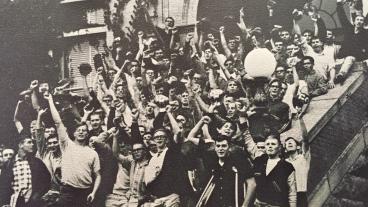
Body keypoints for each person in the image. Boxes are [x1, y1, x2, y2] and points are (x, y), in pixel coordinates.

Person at [45, 93, 101, 207]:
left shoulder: (93, 153)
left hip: (85, 193)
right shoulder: (67, 145)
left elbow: (98, 175)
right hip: (68, 191)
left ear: (87, 134)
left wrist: (94, 193)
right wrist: (50, 100)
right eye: (78, 130)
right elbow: (58, 122)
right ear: (74, 133)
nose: (81, 132)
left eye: (84, 130)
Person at [196, 136, 256, 207]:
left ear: (229, 147)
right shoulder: (213, 164)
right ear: (215, 148)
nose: (220, 149)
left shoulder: (239, 162)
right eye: (218, 146)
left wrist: (245, 206)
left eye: (224, 146)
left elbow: (252, 184)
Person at [0, 137, 50, 207]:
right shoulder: (9, 164)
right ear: (21, 145)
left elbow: (46, 180)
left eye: (32, 142)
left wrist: (37, 196)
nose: (32, 144)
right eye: (29, 142)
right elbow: (3, 185)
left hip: (33, 203)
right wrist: (5, 202)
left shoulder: (37, 162)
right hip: (15, 203)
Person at [253, 135, 297, 207]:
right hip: (258, 204)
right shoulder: (259, 161)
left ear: (279, 147)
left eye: (273, 144)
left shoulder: (287, 166)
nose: (270, 146)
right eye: (267, 144)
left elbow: (292, 193)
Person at [335, 0, 368, 83]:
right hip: (345, 56)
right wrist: (339, 4)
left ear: (363, 23)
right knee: (349, 58)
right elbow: (342, 17)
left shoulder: (365, 33)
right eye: (358, 20)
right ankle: (341, 75)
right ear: (354, 21)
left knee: (352, 58)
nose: (359, 21)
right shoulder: (348, 29)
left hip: (358, 57)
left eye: (361, 20)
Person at [285, 116, 310, 207]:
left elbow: (305, 139)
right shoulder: (284, 162)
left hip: (301, 195)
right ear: (285, 149)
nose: (289, 143)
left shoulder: (303, 158)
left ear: (298, 147)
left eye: (292, 141)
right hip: (288, 196)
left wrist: (301, 119)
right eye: (287, 143)